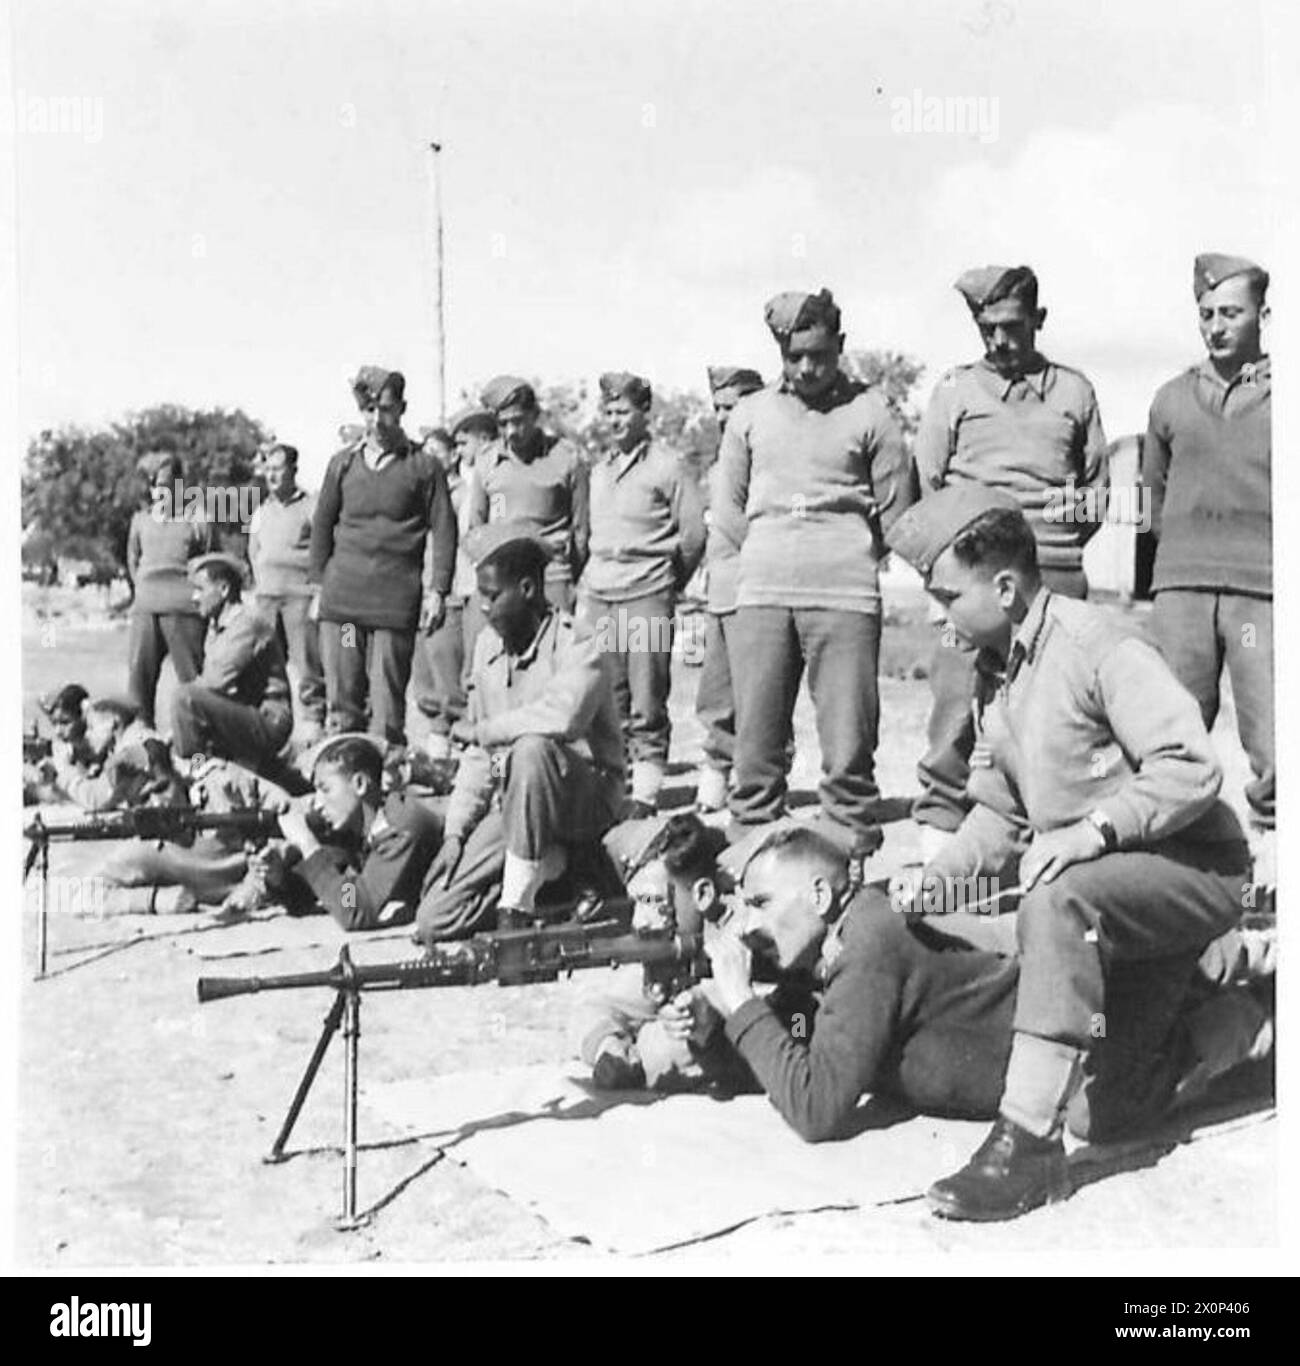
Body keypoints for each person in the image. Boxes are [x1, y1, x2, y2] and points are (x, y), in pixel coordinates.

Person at [873, 485, 1253, 1220]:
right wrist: (936, 883)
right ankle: (1256, 1021)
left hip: (1195, 873)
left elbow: (1191, 765)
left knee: (1057, 893)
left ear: (1006, 587)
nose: (933, 613)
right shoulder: (997, 672)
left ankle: (1026, 1144)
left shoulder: (1096, 645)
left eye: (947, 595)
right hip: (1116, 901)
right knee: (1109, 1113)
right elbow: (1002, 811)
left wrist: (1093, 830)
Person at [701, 826, 1270, 1154]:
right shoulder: (835, 945)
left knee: (1102, 1112)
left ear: (821, 898)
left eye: (761, 904)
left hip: (1093, 1034)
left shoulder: (867, 945)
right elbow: (799, 1047)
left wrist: (742, 1004)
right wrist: (713, 1028)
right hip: (1068, 979)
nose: (749, 925)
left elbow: (816, 1107)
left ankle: (1258, 1020)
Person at [912, 266, 1109, 856]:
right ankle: (940, 831)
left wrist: (1048, 543)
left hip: (1052, 569)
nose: (999, 340)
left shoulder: (1074, 391)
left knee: (1060, 704)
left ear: (1038, 321)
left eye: (1013, 326)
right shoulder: (954, 390)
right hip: (969, 574)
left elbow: (1094, 493)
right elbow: (929, 483)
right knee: (956, 704)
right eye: (987, 328)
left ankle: (1059, 829)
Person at [713, 288, 914, 857]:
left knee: (849, 738)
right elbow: (728, 513)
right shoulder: (749, 415)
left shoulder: (872, 413)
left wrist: (846, 554)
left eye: (819, 355)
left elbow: (897, 512)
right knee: (755, 737)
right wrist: (752, 571)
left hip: (845, 595)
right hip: (762, 595)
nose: (806, 367)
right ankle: (750, 845)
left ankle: (845, 846)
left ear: (840, 347)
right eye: (793, 355)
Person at [414, 524, 625, 942]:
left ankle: (516, 907)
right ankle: (555, 875)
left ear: (527, 589)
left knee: (532, 749)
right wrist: (456, 832)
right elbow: (480, 756)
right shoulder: (488, 648)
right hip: (515, 802)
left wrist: (484, 732)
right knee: (434, 918)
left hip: (581, 800)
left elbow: (563, 718)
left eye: (492, 596)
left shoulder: (579, 642)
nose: (483, 607)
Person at [1142, 253, 1273, 886]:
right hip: (1183, 589)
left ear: (1262, 315)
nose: (1216, 326)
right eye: (1206, 314)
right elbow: (1154, 498)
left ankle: (1275, 866)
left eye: (1231, 313)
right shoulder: (1170, 398)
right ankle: (1182, 866)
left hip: (1263, 593)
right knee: (1175, 730)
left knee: (1273, 737)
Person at [309, 367, 457, 748]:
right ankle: (341, 783)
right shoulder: (342, 464)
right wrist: (318, 589)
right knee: (343, 702)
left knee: (387, 705)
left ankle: (387, 784)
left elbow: (444, 529)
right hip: (344, 606)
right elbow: (322, 525)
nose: (377, 420)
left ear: (402, 409)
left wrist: (437, 590)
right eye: (369, 410)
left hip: (394, 604)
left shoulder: (424, 467)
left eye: (386, 410)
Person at [580, 371, 706, 812]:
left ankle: (647, 792)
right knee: (605, 698)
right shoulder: (598, 471)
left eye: (624, 411)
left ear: (643, 413)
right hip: (601, 597)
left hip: (647, 595)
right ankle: (613, 787)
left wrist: (667, 585)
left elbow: (692, 535)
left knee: (647, 698)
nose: (615, 420)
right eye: (609, 412)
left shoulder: (667, 467)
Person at [570, 812, 740, 1092]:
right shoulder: (669, 948)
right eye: (639, 902)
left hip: (792, 1032)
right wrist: (608, 1047)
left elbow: (799, 1024)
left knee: (665, 1048)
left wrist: (645, 1046)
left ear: (703, 894)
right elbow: (591, 1011)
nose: (642, 920)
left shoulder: (739, 934)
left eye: (656, 903)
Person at [256, 734, 443, 931]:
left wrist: (307, 843)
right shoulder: (356, 831)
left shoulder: (399, 826)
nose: (318, 804)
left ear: (360, 784)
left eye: (326, 790)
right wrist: (278, 877)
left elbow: (356, 912)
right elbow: (339, 894)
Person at [694, 366, 766, 812]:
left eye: (731, 406)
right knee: (715, 696)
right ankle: (714, 783)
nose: (723, 416)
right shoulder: (721, 462)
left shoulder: (768, 456)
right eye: (717, 407)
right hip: (719, 591)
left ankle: (760, 789)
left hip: (755, 591)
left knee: (759, 698)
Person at [470, 376, 589, 611]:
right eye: (503, 424)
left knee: (553, 644)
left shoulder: (566, 458)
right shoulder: (487, 463)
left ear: (535, 415)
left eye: (518, 421)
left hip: (552, 576)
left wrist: (569, 576)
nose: (511, 431)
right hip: (502, 579)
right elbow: (477, 526)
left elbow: (581, 530)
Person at [169, 553, 293, 771]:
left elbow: (216, 682)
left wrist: (181, 719)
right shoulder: (216, 626)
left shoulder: (248, 623)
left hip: (268, 721)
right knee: (188, 709)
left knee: (184, 699)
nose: (194, 597)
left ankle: (194, 768)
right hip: (243, 713)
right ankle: (198, 765)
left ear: (224, 590)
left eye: (200, 589)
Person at [125, 451, 215, 728]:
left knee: (192, 682)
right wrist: (143, 591)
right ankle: (142, 740)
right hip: (146, 609)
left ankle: (199, 747)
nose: (162, 491)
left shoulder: (198, 518)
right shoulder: (140, 520)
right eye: (156, 485)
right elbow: (132, 561)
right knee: (139, 681)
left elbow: (209, 563)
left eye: (168, 484)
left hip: (184, 610)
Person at [413, 416, 484, 760]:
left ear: (453, 456)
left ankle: (461, 747)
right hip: (419, 591)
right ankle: (438, 744)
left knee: (448, 675)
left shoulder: (465, 494)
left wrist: (447, 591)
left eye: (435, 451)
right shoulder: (418, 492)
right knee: (423, 677)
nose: (427, 458)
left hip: (452, 592)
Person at [247, 442, 326, 743]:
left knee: (307, 664)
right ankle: (271, 724)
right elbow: (253, 550)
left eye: (278, 469)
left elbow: (323, 551)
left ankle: (313, 724)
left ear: (293, 470)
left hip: (299, 595)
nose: (272, 476)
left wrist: (317, 592)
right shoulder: (261, 510)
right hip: (266, 597)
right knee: (265, 664)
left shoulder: (311, 506)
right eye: (267, 469)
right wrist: (260, 584)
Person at [24, 683, 92, 804]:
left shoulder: (96, 749)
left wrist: (65, 768)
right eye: (54, 723)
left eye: (65, 722)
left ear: (84, 718)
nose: (58, 731)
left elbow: (88, 795)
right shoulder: (65, 747)